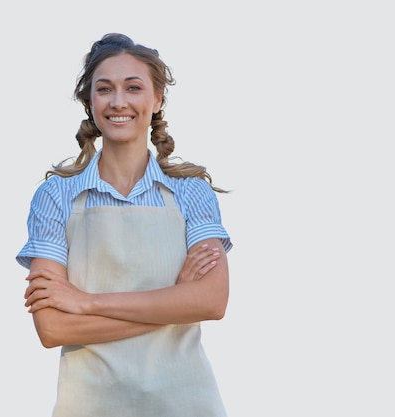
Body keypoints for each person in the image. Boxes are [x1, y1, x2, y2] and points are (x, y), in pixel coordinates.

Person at [16, 32, 233, 417]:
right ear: (90, 101)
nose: (119, 102)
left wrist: (85, 303)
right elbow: (52, 329)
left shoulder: (192, 193)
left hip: (186, 404)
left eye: (133, 88)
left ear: (157, 98)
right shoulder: (55, 197)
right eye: (104, 89)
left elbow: (212, 302)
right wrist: (173, 304)